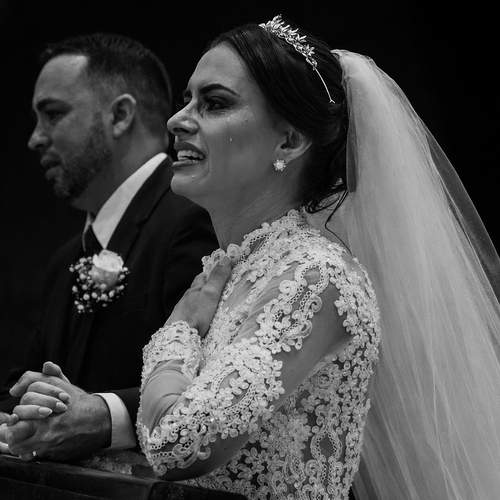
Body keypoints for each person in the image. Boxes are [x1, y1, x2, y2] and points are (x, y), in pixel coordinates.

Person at [9, 15, 500, 499]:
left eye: (214, 103)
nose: (177, 121)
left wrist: (179, 330)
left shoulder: (316, 274)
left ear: (289, 140)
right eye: (186, 101)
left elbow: (178, 445)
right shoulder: (233, 268)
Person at [0, 33, 217, 461]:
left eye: (53, 114)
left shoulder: (198, 218)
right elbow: (23, 382)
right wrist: (18, 414)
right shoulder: (67, 258)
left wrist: (104, 416)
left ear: (120, 115)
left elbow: (218, 387)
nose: (35, 138)